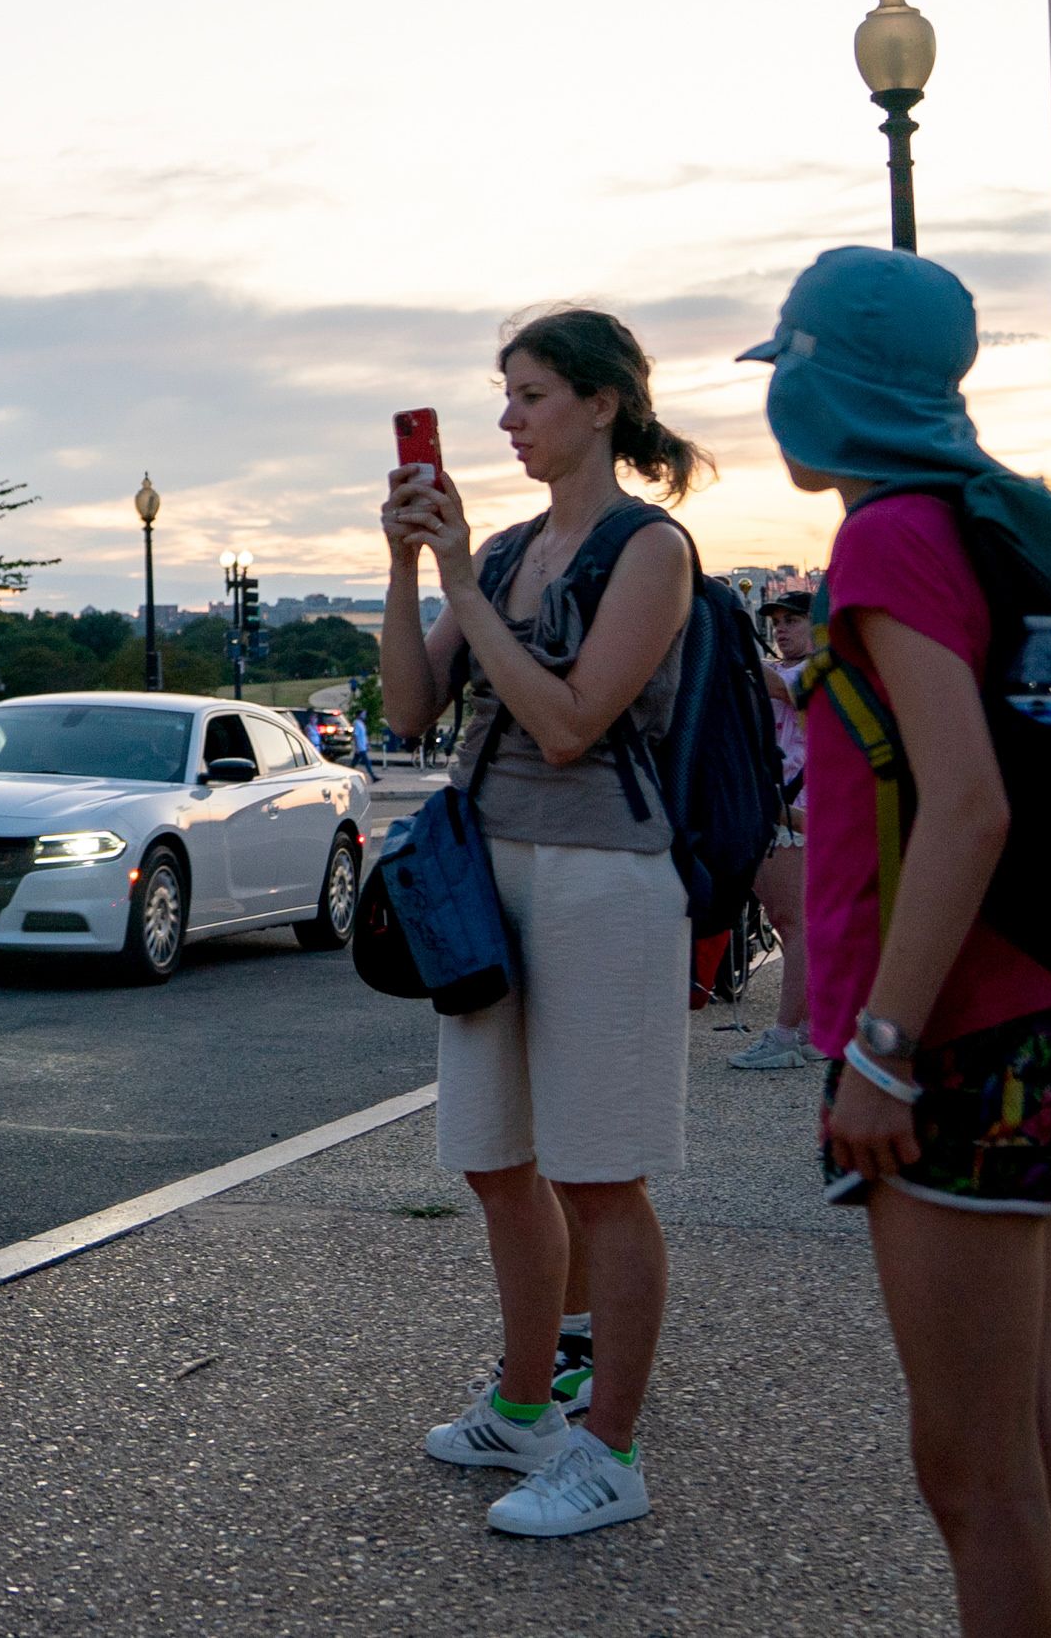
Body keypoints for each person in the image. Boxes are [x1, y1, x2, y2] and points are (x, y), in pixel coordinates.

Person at [746, 244, 1051, 1638]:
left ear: (834, 382)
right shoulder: (1004, 519)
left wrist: (880, 1052)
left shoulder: (891, 533)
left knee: (973, 1475)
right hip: (1046, 1009)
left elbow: (963, 801)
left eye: (791, 366)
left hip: (954, 1038)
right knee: (1038, 1445)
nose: (783, 396)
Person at [376, 307, 702, 1539]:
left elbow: (571, 722)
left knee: (599, 1174)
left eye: (529, 396)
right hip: (487, 873)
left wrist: (462, 579)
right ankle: (524, 1406)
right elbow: (410, 712)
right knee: (493, 1158)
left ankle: (607, 1447)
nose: (506, 421)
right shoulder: (505, 549)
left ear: (603, 405)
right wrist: (414, 566)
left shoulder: (649, 549)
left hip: (605, 872)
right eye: (502, 397)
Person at [726, 586, 818, 1070]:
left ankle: (785, 1036)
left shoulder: (814, 672)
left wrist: (732, 640)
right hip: (779, 809)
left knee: (794, 925)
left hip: (794, 811)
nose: (781, 629)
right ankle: (807, 1029)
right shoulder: (780, 670)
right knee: (796, 925)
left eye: (793, 620)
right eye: (775, 622)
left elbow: (784, 692)